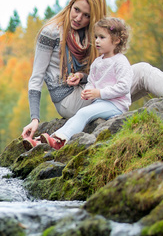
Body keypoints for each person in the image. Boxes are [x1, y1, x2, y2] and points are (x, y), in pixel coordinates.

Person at [21, 0, 163, 146]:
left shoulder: (94, 35)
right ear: (70, 5)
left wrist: (82, 76)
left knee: (143, 72)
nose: (78, 18)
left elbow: (99, 72)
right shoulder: (50, 33)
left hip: (90, 90)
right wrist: (35, 118)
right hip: (70, 101)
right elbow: (36, 78)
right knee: (143, 73)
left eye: (86, 15)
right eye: (76, 10)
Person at [39, 17, 131, 150]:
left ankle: (61, 141)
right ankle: (47, 140)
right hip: (101, 103)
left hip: (116, 105)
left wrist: (99, 93)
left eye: (102, 37)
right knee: (80, 114)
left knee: (83, 113)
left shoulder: (120, 61)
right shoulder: (97, 62)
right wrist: (87, 91)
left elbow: (124, 87)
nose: (97, 41)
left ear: (116, 40)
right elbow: (91, 81)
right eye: (96, 37)